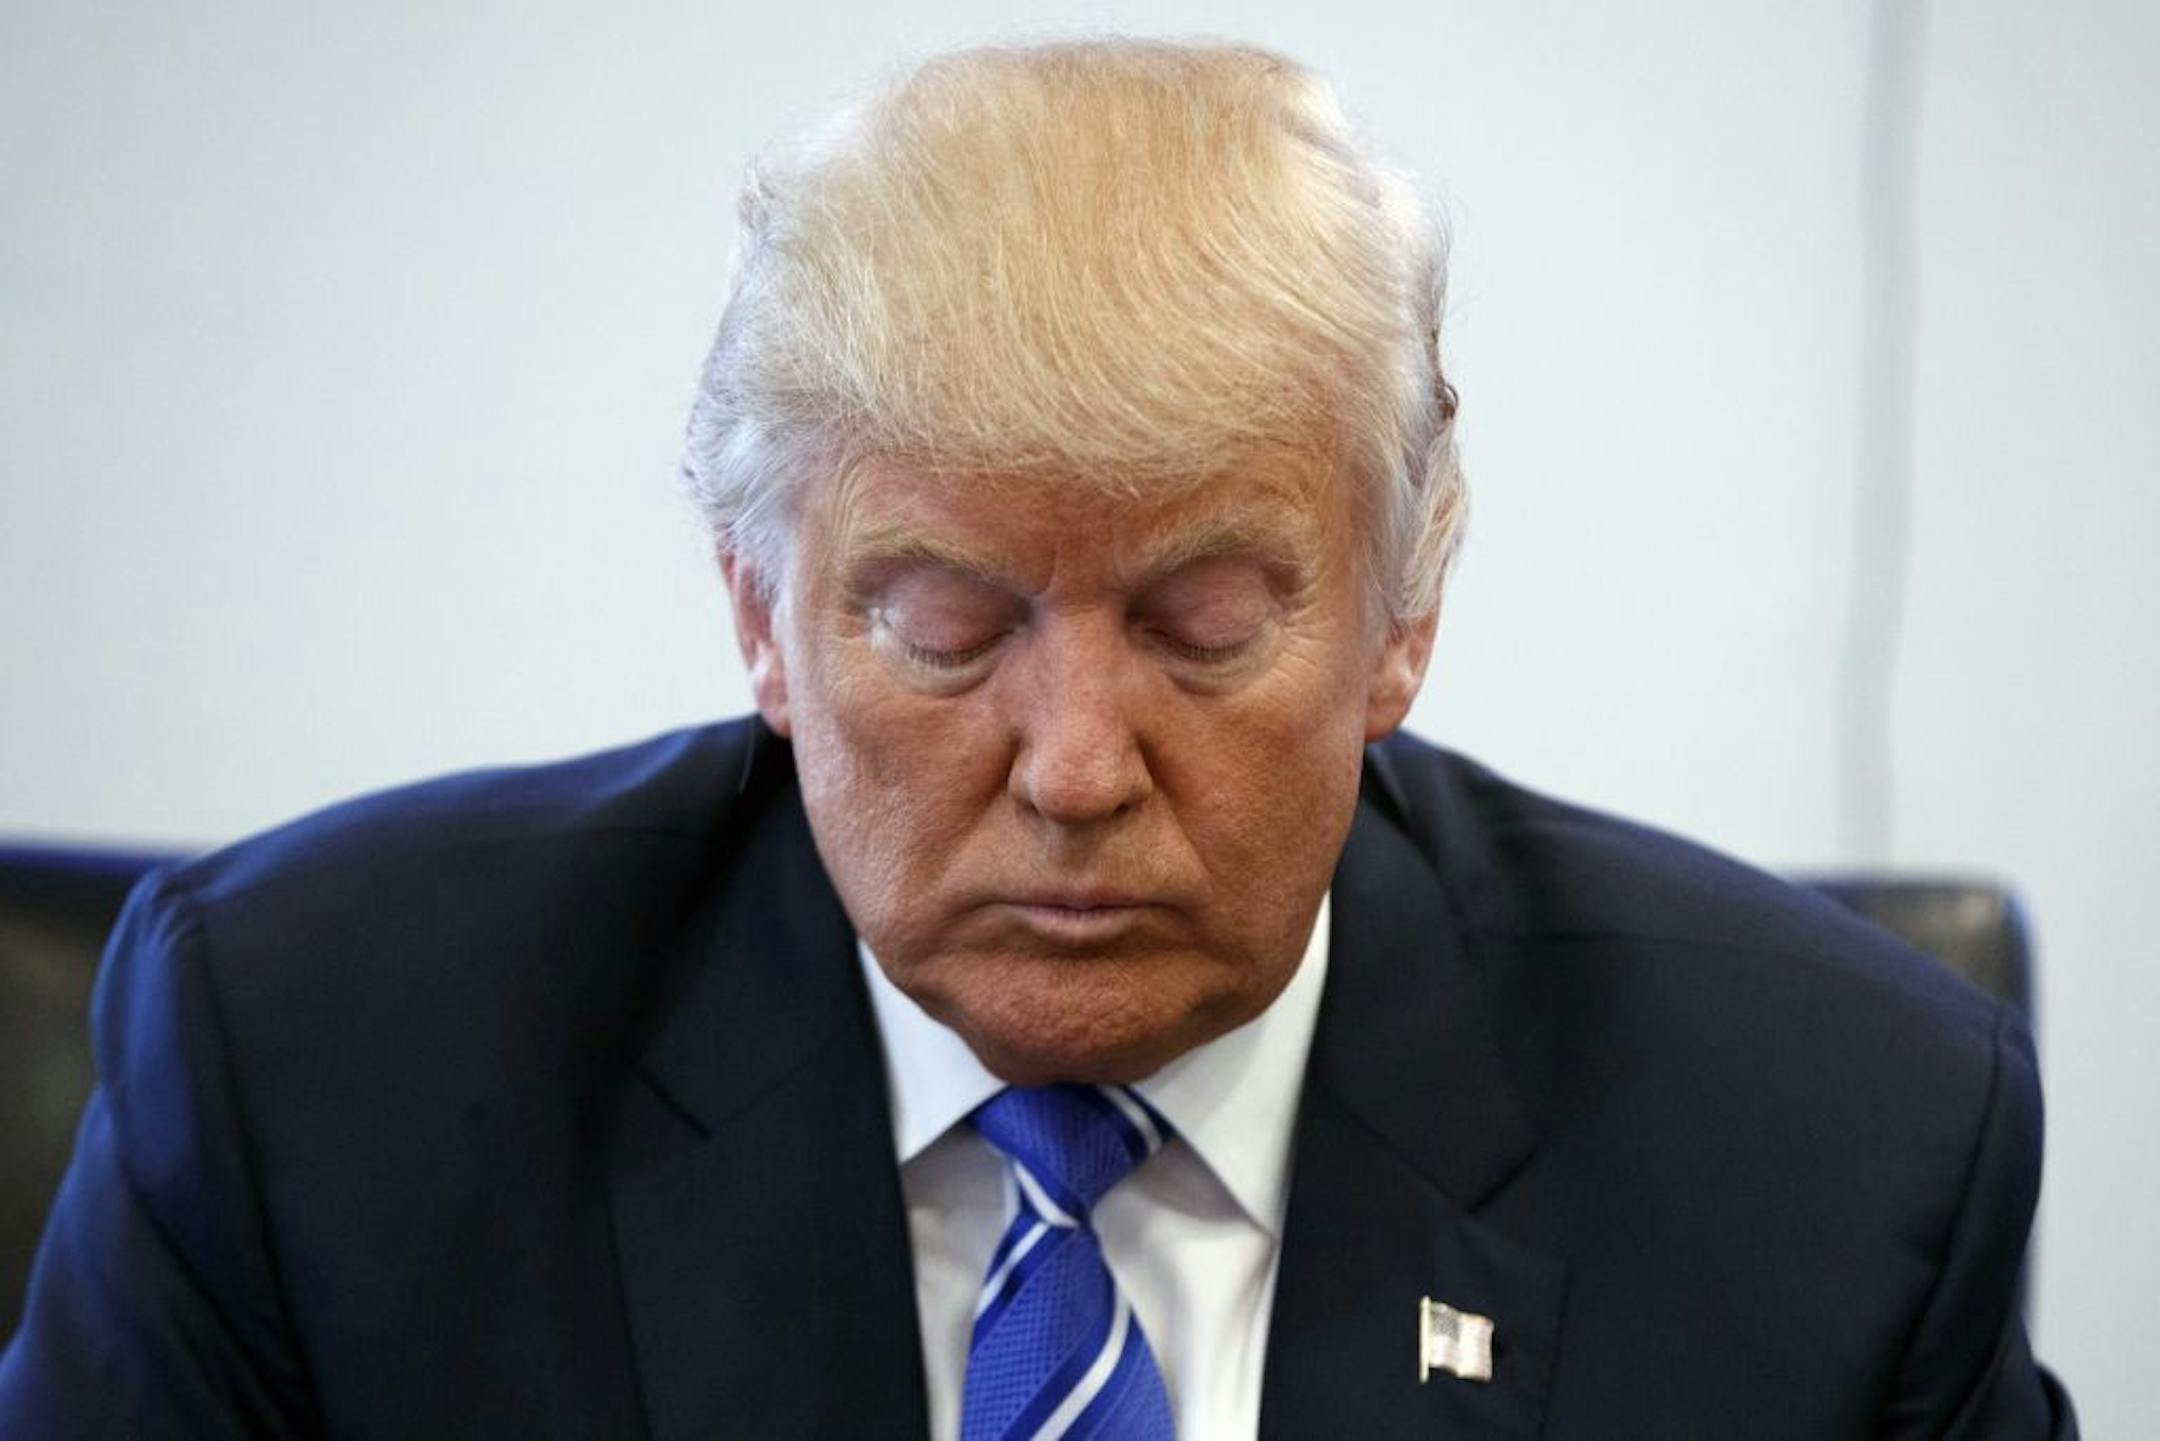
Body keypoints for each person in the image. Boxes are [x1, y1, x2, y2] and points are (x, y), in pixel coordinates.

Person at [0, 38, 2075, 1439]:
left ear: (1402, 612)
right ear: (761, 617)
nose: (1078, 764)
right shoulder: (319, 1077)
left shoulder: (1834, 1154)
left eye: (1203, 626)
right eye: (941, 623)